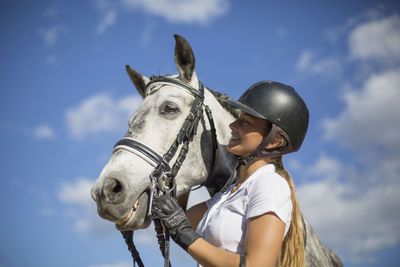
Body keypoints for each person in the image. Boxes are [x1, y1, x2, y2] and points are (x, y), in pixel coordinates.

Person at [152, 81, 309, 267]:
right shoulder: (226, 196)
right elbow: (173, 222)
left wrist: (185, 235)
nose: (233, 125)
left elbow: (256, 265)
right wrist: (184, 171)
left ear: (274, 141)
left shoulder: (269, 184)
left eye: (246, 122)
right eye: (238, 118)